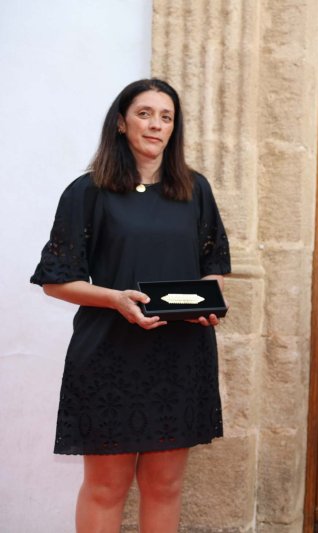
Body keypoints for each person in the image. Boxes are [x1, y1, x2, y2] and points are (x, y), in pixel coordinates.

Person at [30, 78, 230, 532]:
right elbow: (56, 281)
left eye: (166, 117)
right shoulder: (87, 192)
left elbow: (213, 265)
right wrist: (115, 299)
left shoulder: (194, 189)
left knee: (165, 487)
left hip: (179, 355)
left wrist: (206, 301)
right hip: (109, 356)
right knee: (106, 489)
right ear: (121, 123)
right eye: (144, 114)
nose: (156, 125)